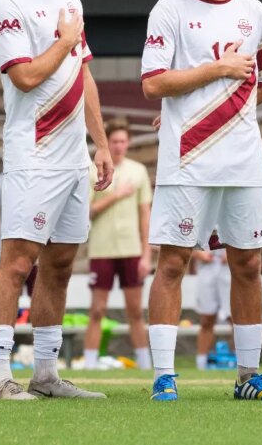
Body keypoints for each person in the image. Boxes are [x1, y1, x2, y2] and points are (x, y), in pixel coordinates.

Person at [141, 0, 262, 402]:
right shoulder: (170, 9)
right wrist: (214, 75)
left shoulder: (254, 12)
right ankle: (164, 375)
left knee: (248, 265)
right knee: (174, 262)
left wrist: (226, 103)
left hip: (243, 159)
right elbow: (153, 82)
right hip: (187, 159)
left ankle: (250, 375)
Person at [0, 0, 112, 401]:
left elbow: (83, 74)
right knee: (16, 262)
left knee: (61, 264)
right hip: (31, 153)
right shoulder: (5, 1)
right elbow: (26, 77)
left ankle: (45, 374)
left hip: (72, 157)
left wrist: (100, 145)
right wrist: (62, 40)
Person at [83, 120, 153, 370]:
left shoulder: (138, 171)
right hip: (102, 249)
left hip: (131, 249)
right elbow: (86, 211)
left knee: (135, 310)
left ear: (129, 143)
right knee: (97, 310)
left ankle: (145, 363)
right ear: (107, 143)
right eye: (114, 141)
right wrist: (116, 195)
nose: (119, 146)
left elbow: (145, 214)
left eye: (123, 141)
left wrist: (147, 254)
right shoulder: (94, 170)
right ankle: (89, 364)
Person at [193, 246, 232, 371]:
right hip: (207, 267)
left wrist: (233, 252)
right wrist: (198, 253)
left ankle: (241, 363)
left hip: (230, 268)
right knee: (206, 319)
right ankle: (201, 364)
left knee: (235, 318)